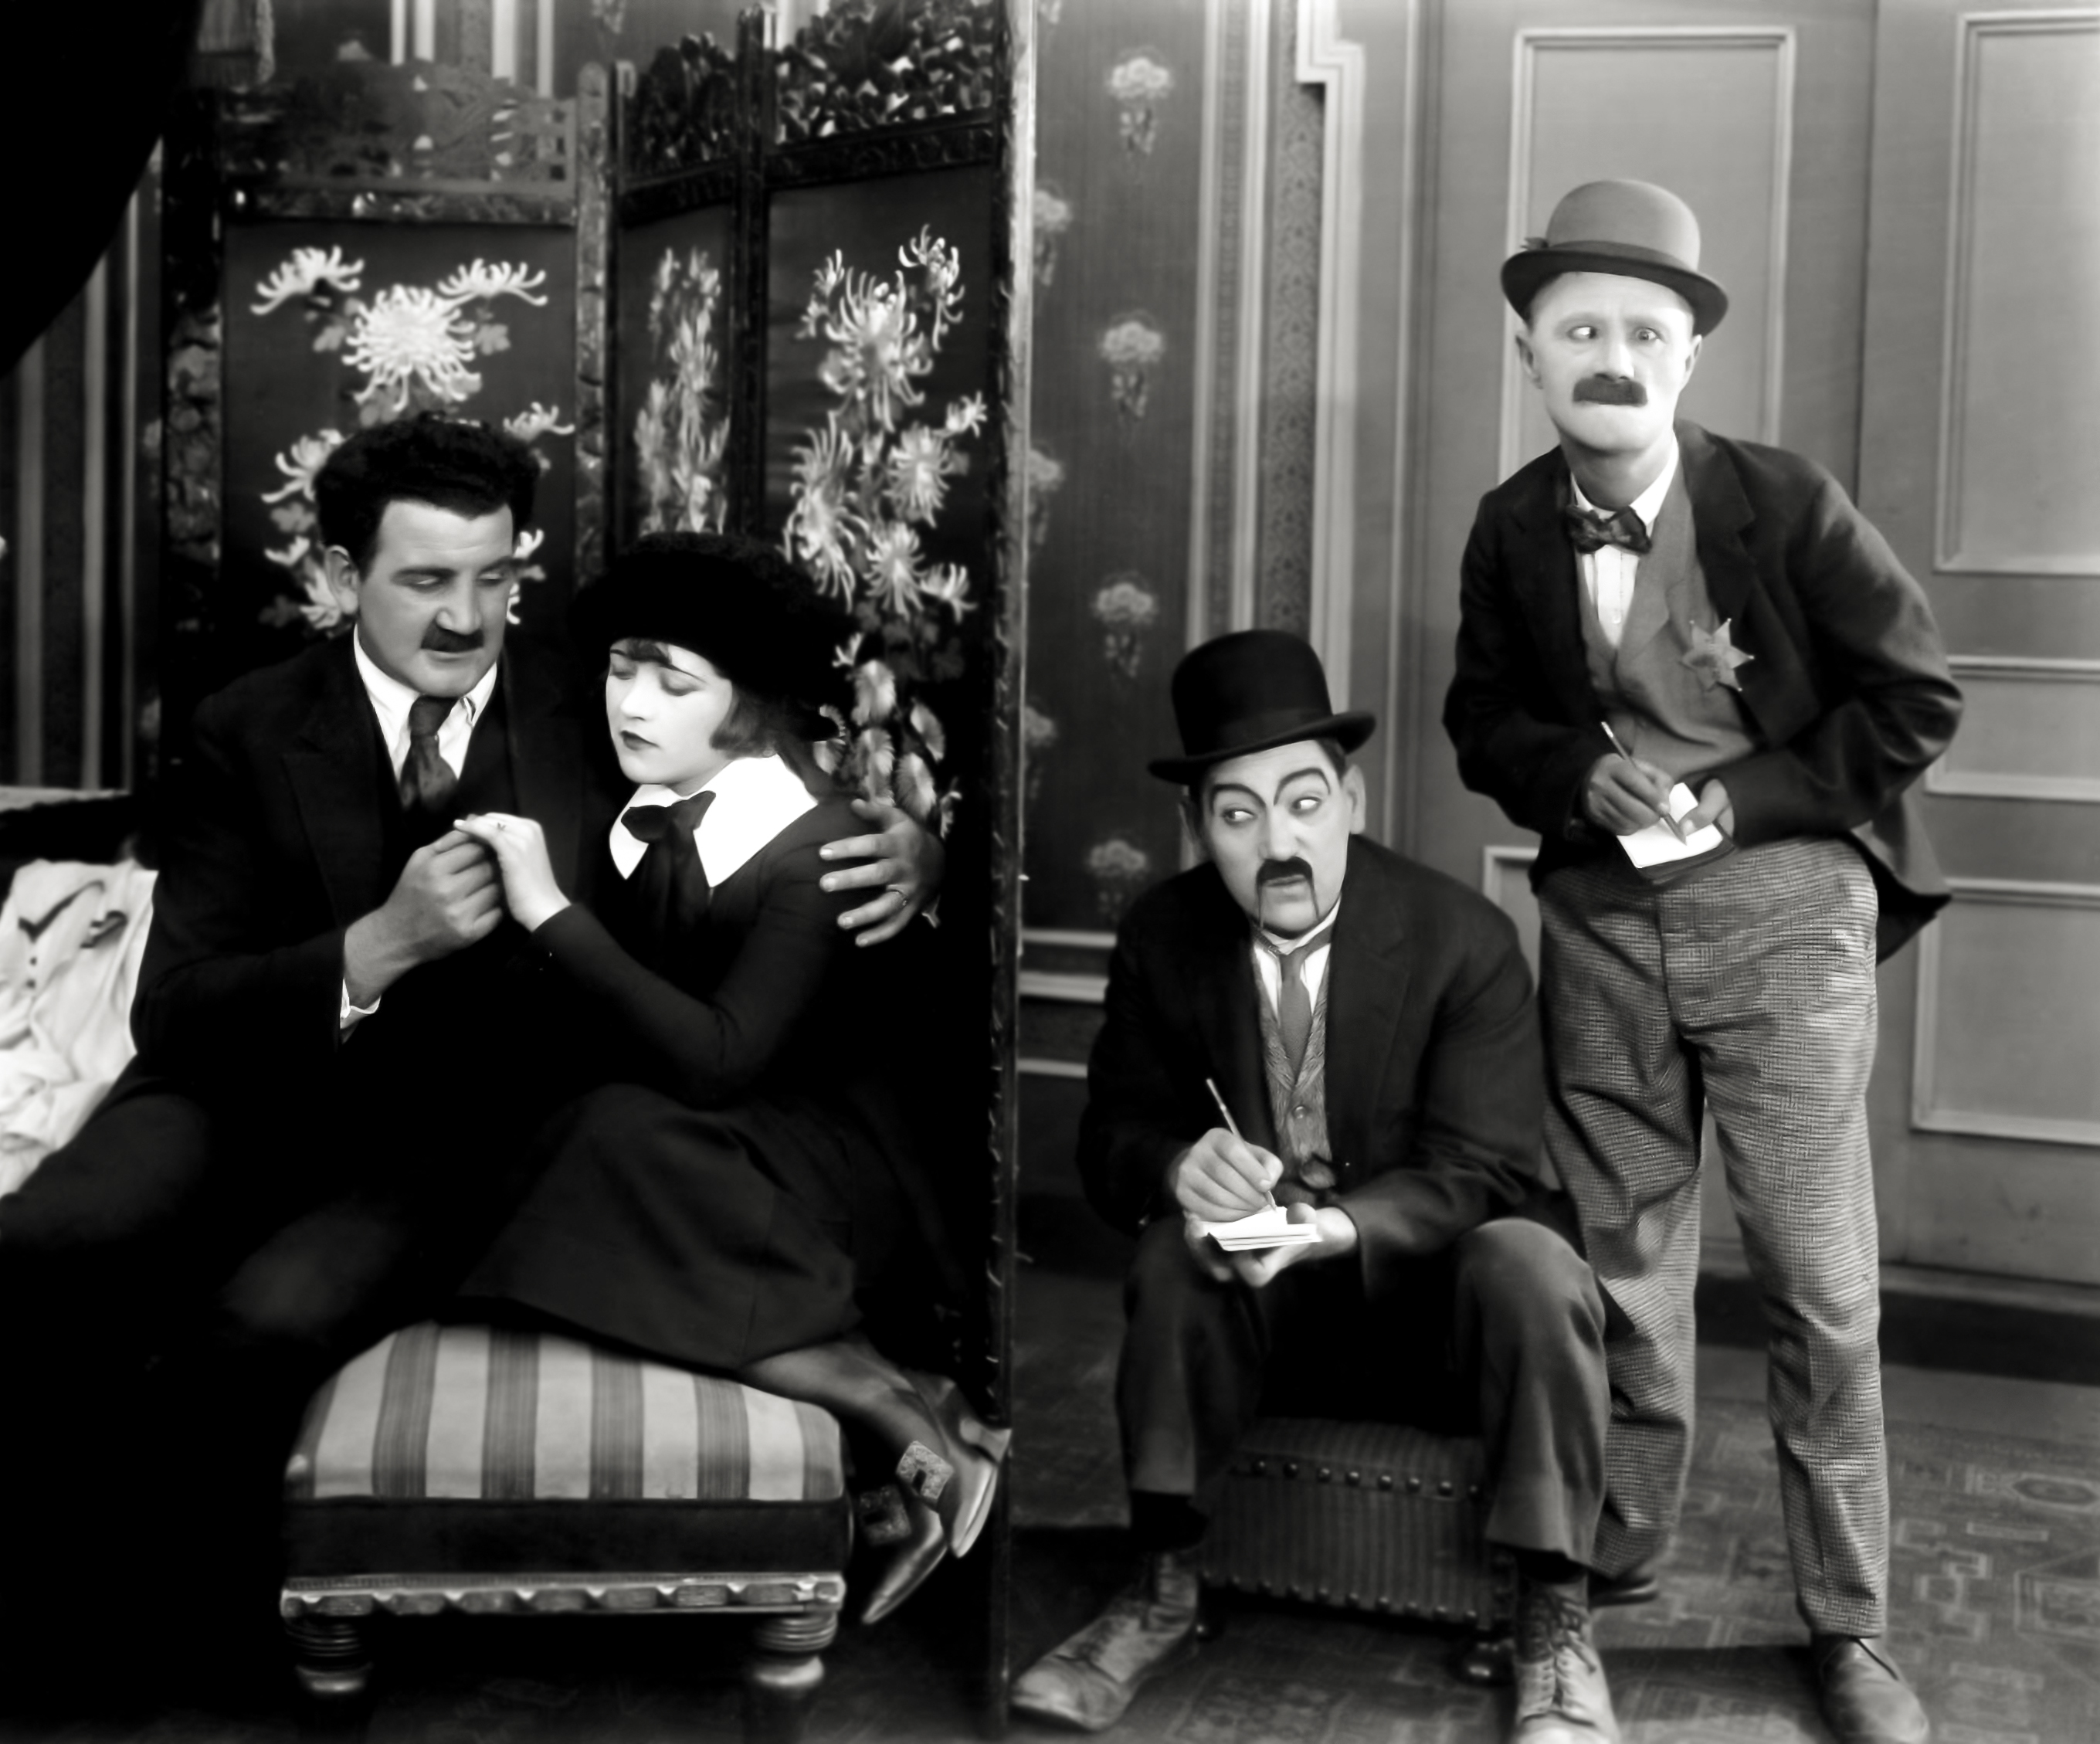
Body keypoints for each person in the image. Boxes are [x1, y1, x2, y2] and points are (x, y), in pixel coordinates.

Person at [0, 416, 941, 1700]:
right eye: (425, 579)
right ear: (342, 573)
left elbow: (767, 788)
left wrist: (912, 851)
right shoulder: (248, 725)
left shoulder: (592, 703)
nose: (465, 617)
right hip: (240, 1080)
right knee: (57, 1235)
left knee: (268, 1318)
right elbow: (179, 1008)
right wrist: (378, 946)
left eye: (495, 577)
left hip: (454, 1138)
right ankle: (19, 1615)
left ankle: (189, 1636)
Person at [1444, 180, 1962, 1744]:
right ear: (1529, 352)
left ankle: (1849, 1623)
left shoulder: (1783, 503)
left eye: (1644, 332)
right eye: (1578, 329)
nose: (1612, 356)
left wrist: (1752, 795)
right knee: (1623, 1271)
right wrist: (1566, 773)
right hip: (1602, 925)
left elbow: (1915, 699)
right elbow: (1482, 719)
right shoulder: (1509, 526)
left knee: (1819, 1286)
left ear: (1687, 358)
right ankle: (1615, 1563)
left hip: (1787, 913)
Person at [1011, 630, 1614, 1742]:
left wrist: (1338, 1226)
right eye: (1238, 815)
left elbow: (1483, 1172)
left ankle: (1554, 1621)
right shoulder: (1162, 937)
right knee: (1170, 1248)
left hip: (1435, 1313)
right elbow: (1111, 1136)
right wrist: (1175, 1166)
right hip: (1265, 1312)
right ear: (1197, 826)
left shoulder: (1461, 938)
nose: (1277, 843)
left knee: (1534, 1263)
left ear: (1352, 799)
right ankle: (1161, 1588)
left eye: (1302, 803)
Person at [449, 530, 1006, 1627]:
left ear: (747, 704)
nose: (634, 703)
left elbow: (719, 1059)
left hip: (827, 1177)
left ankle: (888, 1403)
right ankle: (892, 1411)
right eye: (623, 670)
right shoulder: (629, 807)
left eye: (674, 683)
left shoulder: (820, 847)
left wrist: (549, 913)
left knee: (606, 1136)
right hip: (702, 1155)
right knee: (563, 1139)